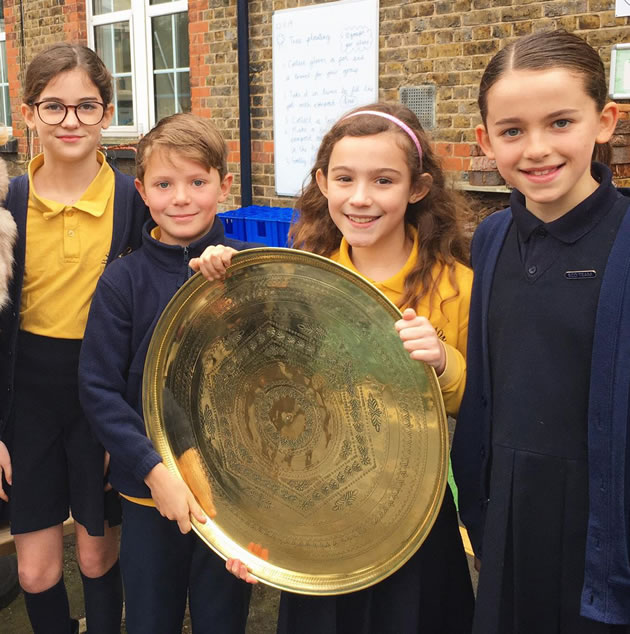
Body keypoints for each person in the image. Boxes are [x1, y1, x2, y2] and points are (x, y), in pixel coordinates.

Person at [195, 102, 475, 634]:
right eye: (344, 178)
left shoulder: (457, 285)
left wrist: (442, 363)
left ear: (417, 188)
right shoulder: (296, 273)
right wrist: (223, 280)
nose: (361, 197)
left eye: (383, 180)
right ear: (323, 182)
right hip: (317, 512)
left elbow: (477, 402)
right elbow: (258, 393)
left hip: (413, 512)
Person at [451, 30, 630, 634]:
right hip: (507, 521)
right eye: (512, 131)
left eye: (560, 123)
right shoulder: (492, 238)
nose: (536, 149)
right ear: (485, 140)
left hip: (602, 533)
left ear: (603, 122)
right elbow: (486, 384)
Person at [78, 112, 256, 634]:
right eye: (164, 183)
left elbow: (271, 365)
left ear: (223, 186)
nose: (181, 198)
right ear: (143, 191)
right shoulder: (123, 280)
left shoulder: (251, 268)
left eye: (197, 182)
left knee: (222, 619)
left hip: (229, 494)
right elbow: (99, 389)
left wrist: (233, 290)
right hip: (147, 493)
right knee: (151, 618)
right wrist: (155, 471)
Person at [0, 43, 147, 634]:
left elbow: (159, 304)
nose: (70, 122)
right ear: (29, 114)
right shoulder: (8, 205)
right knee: (35, 572)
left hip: (102, 393)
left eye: (86, 107)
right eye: (53, 107)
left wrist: (129, 423)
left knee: (94, 553)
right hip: (25, 399)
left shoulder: (135, 204)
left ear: (106, 112)